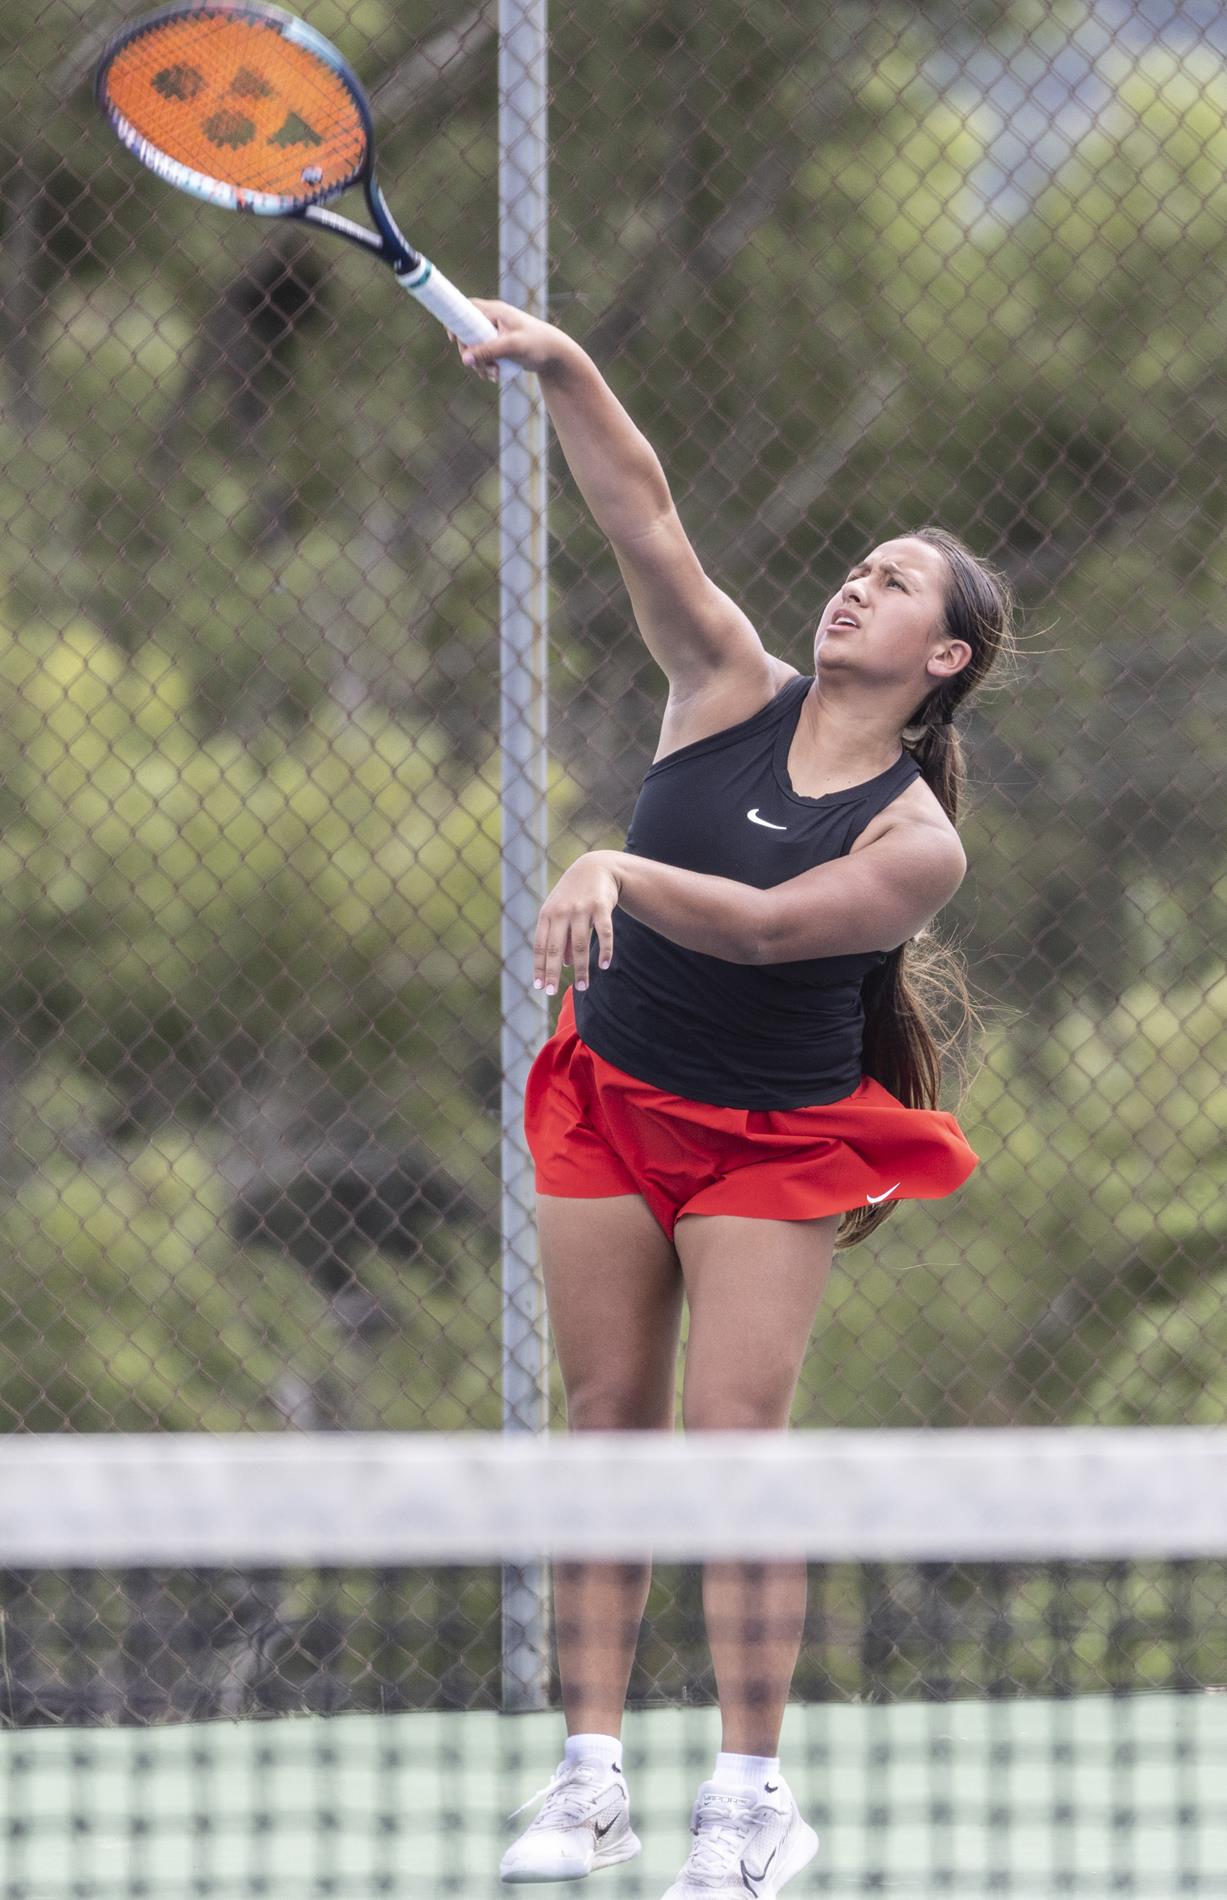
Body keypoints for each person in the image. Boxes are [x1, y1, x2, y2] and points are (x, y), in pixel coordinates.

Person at [456, 304, 1015, 1900]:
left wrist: (616, 862)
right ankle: (589, 1781)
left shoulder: (918, 842)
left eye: (897, 583)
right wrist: (563, 365)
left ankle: (754, 1797)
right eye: (861, 565)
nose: (858, 582)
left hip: (772, 1143)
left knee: (730, 1441)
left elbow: (771, 929)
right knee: (608, 1431)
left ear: (945, 657)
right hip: (612, 1098)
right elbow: (643, 512)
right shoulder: (720, 683)